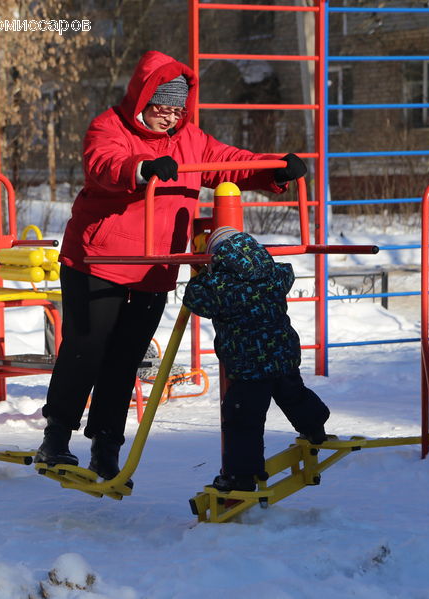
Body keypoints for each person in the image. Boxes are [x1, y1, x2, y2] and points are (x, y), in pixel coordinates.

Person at [35, 50, 308, 480]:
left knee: (126, 359)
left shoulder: (190, 138)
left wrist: (275, 168)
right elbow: (103, 164)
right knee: (86, 349)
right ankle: (56, 438)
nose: (169, 116)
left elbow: (229, 163)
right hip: (99, 260)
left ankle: (105, 445)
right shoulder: (109, 126)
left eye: (177, 108)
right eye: (162, 106)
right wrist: (142, 168)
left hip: (153, 265)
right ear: (143, 99)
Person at [182, 226, 330, 493]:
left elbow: (195, 298)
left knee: (242, 419)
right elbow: (288, 272)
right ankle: (315, 426)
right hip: (282, 355)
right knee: (294, 395)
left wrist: (201, 274)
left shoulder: (223, 286)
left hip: (250, 366)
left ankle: (241, 476)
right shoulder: (272, 274)